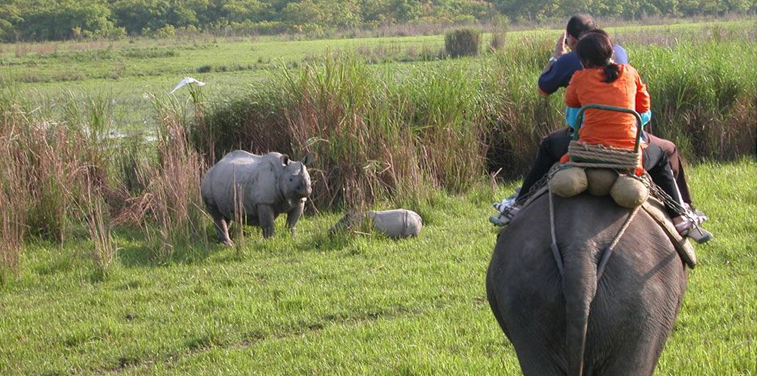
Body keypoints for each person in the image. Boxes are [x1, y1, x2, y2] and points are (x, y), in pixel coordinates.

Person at [491, 15, 709, 240]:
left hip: (587, 147)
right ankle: (681, 215)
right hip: (628, 151)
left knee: (548, 146)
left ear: (580, 56)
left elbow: (565, 99)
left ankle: (519, 203)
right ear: (611, 53)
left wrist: (559, 60)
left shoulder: (578, 75)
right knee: (663, 156)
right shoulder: (629, 71)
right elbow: (643, 107)